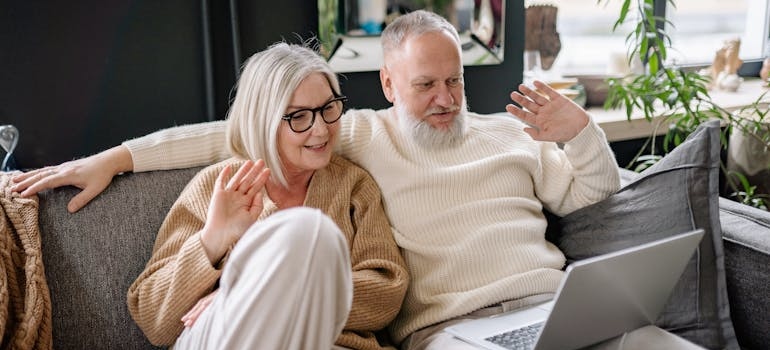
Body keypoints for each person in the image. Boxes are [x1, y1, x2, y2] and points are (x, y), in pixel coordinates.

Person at [12, 10, 704, 350]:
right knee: (303, 237)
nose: (446, 98)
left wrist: (581, 135)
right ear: (390, 84)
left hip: (543, 310)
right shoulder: (238, 179)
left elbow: (384, 291)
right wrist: (209, 247)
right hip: (438, 335)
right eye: (427, 84)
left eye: (455, 81)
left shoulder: (350, 178)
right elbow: (154, 314)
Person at [120, 43, 408, 349]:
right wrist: (213, 238)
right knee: (309, 229)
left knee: (311, 231)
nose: (321, 130)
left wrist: (259, 294)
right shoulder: (218, 186)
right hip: (225, 338)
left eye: (328, 108)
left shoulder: (353, 186)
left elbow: (386, 293)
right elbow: (153, 318)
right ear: (264, 121)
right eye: (299, 117)